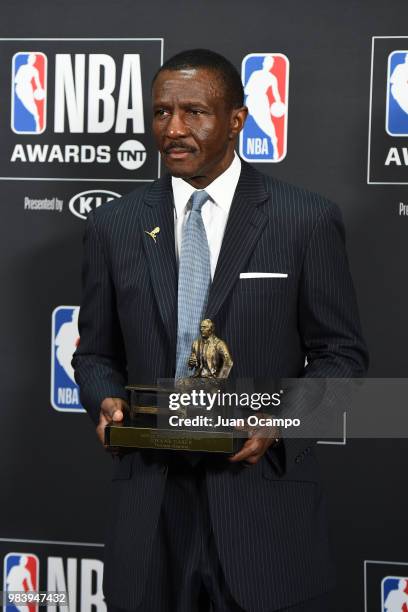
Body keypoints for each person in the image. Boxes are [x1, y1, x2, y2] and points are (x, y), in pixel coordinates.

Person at [72, 49, 368, 612]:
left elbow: (343, 358)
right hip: (151, 507)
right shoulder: (115, 224)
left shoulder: (303, 219)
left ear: (237, 118)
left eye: (194, 112)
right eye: (161, 113)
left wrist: (280, 421)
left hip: (263, 507)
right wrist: (105, 401)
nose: (173, 129)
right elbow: (95, 354)